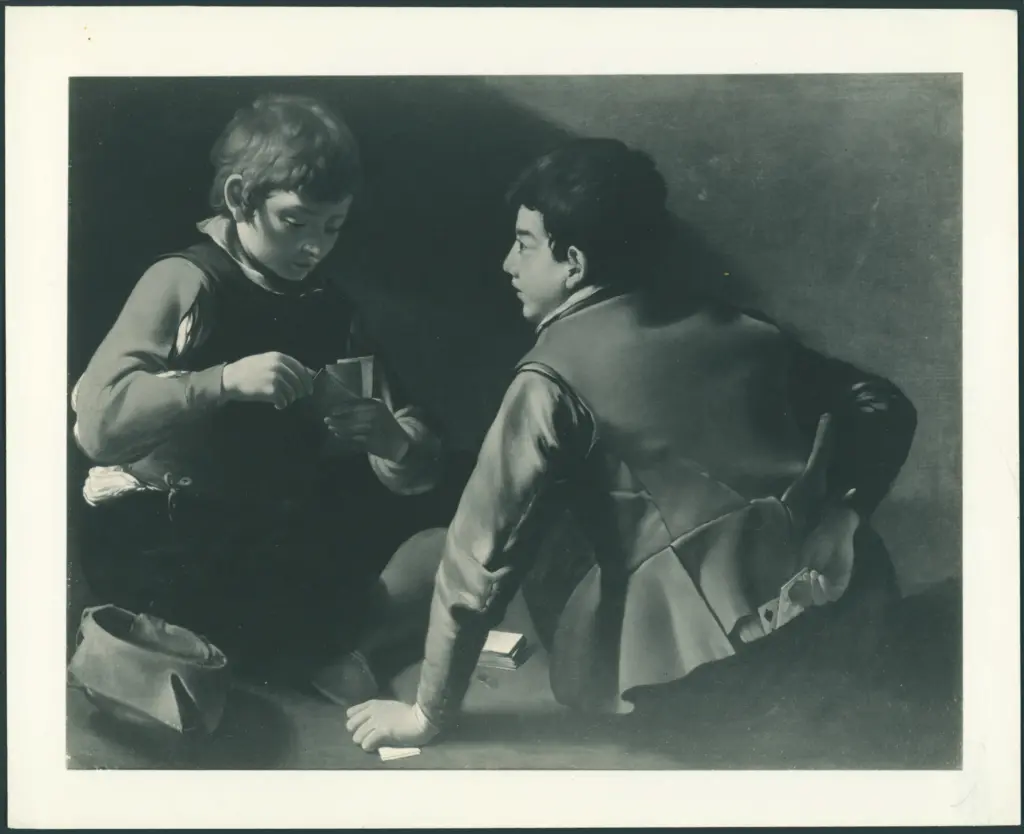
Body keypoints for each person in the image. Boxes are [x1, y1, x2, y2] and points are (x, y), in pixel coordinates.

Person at [340, 138, 918, 752]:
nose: (508, 262)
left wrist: (427, 714)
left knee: (476, 542)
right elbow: (883, 404)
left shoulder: (549, 377)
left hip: (696, 673)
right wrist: (845, 515)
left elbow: (479, 554)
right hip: (848, 616)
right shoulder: (743, 328)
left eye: (525, 243)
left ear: (575, 264)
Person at [71, 94, 461, 684]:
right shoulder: (185, 281)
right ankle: (324, 655)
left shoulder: (330, 307)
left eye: (333, 228)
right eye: (296, 222)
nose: (315, 248)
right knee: (250, 624)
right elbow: (96, 424)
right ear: (238, 199)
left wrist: (392, 439)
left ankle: (324, 650)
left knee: (444, 549)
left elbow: (400, 424)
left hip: (273, 535)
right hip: (168, 531)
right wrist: (220, 382)